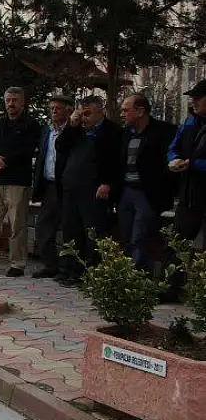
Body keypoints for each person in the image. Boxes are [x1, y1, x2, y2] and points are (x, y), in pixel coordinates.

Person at [56, 95, 122, 285]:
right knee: (70, 230)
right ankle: (68, 270)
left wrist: (108, 182)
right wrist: (71, 125)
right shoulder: (76, 130)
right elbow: (60, 146)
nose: (84, 118)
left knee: (93, 233)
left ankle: (90, 272)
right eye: (81, 113)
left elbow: (116, 161)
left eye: (88, 114)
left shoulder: (113, 132)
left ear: (101, 112)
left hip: (94, 189)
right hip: (71, 188)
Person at [0, 87, 41, 275]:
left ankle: (17, 264)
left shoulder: (31, 125)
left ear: (22, 102)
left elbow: (28, 151)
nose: (11, 104)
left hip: (17, 181)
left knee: (17, 225)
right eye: (8, 100)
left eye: (15, 100)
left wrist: (3, 160)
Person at [116, 93, 177, 271]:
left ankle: (141, 280)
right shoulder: (125, 134)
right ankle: (128, 276)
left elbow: (170, 163)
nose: (122, 114)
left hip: (147, 193)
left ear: (140, 111)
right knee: (127, 236)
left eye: (126, 110)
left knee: (140, 237)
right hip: (126, 191)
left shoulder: (163, 132)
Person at [31, 96, 74, 278]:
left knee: (68, 226)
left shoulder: (73, 131)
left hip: (67, 184)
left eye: (58, 108)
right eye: (52, 108)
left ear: (68, 110)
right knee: (43, 225)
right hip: (49, 184)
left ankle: (69, 267)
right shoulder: (47, 131)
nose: (54, 111)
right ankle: (50, 264)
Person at [168, 80, 206, 247]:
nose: (193, 101)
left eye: (198, 97)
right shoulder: (189, 122)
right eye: (192, 98)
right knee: (176, 247)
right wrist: (173, 159)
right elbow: (173, 146)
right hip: (188, 197)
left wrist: (194, 164)